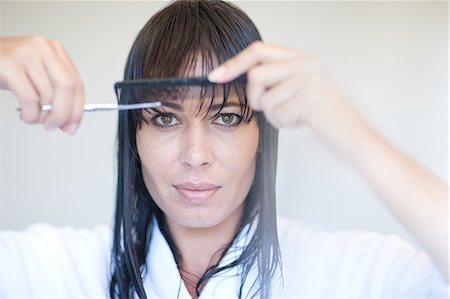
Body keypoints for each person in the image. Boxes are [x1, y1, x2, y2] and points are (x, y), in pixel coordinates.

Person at [0, 0, 448, 298]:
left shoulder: (353, 273)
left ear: (263, 134)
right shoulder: (54, 270)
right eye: (165, 117)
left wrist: (355, 137)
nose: (196, 154)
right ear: (133, 135)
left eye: (228, 118)